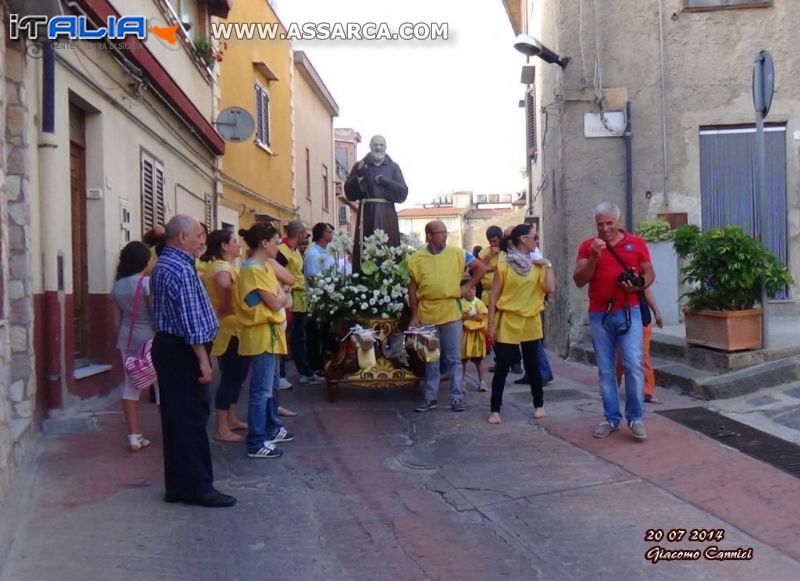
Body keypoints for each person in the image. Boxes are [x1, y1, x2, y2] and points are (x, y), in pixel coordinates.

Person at [150, 215, 235, 508]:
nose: (203, 239)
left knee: (177, 419)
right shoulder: (180, 269)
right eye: (199, 234)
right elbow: (189, 322)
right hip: (183, 350)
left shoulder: (169, 264)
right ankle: (198, 487)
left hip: (172, 347)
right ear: (182, 237)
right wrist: (203, 360)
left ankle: (178, 485)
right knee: (191, 419)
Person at [573, 201, 654, 441]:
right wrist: (593, 259)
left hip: (630, 310)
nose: (605, 228)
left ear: (618, 221)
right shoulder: (588, 246)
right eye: (600, 224)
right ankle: (611, 418)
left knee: (633, 363)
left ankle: (636, 417)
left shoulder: (636, 243)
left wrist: (638, 284)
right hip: (600, 314)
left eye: (609, 223)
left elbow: (649, 273)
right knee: (606, 369)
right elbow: (579, 280)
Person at [408, 221, 488, 413]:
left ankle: (457, 397)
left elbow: (482, 268)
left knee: (454, 357)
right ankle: (430, 398)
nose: (444, 236)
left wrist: (468, 287)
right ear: (428, 235)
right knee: (431, 358)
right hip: (427, 312)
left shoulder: (458, 253)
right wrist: (414, 316)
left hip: (451, 311)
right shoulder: (416, 259)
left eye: (445, 232)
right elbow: (412, 289)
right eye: (440, 233)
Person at [487, 224, 555, 424]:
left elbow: (550, 288)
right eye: (535, 237)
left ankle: (539, 405)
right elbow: (493, 297)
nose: (537, 240)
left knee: (533, 366)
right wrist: (490, 324)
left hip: (531, 320)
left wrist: (548, 264)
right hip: (508, 319)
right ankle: (494, 409)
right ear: (524, 239)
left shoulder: (539, 265)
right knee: (502, 366)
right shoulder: (504, 265)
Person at [237, 223, 295, 459]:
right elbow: (276, 301)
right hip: (261, 334)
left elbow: (282, 292)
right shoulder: (252, 270)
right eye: (275, 241)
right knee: (261, 391)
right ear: (264, 243)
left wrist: (281, 295)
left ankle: (269, 428)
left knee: (269, 387)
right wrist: (282, 295)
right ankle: (256, 441)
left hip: (270, 334)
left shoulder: (264, 267)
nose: (278, 245)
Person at [200, 229, 249, 443]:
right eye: (234, 242)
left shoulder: (222, 266)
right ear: (224, 246)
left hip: (235, 328)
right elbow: (223, 284)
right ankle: (221, 427)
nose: (239, 245)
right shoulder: (221, 266)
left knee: (238, 376)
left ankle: (231, 418)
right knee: (230, 377)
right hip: (229, 330)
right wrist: (229, 304)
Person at [111, 241, 159, 452]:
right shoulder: (146, 283)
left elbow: (116, 319)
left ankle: (133, 436)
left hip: (127, 339)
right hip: (150, 339)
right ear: (144, 260)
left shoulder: (117, 286)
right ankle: (169, 432)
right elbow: (155, 313)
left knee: (131, 388)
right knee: (161, 387)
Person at [344, 135, 408, 271]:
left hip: (387, 214)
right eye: (375, 145)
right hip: (367, 213)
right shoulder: (360, 165)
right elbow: (349, 193)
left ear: (385, 147)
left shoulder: (393, 167)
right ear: (370, 146)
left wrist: (388, 182)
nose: (378, 147)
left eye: (381, 145)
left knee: (388, 247)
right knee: (366, 247)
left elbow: (403, 193)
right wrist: (359, 177)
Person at [278, 220, 323, 385]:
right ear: (299, 234)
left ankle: (305, 372)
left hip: (299, 298)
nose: (306, 236)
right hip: (289, 298)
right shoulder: (282, 251)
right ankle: (280, 374)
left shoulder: (295, 251)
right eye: (305, 233)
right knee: (286, 336)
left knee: (298, 338)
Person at [514, 233, 555, 386]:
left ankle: (542, 372)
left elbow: (543, 278)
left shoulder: (533, 253)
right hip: (525, 303)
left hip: (531, 303)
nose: (536, 240)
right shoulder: (524, 253)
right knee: (526, 342)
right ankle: (531, 372)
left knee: (532, 341)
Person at [616, 286, 663, 403]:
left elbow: (646, 291)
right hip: (620, 319)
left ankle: (647, 391)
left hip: (641, 320)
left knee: (643, 358)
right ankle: (611, 388)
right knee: (619, 359)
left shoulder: (641, 272)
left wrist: (656, 311)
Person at [304, 223, 336, 374]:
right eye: (330, 232)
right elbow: (312, 278)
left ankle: (327, 363)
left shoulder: (326, 252)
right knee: (316, 336)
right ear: (324, 234)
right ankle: (316, 367)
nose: (332, 234)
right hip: (318, 303)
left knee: (328, 335)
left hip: (329, 300)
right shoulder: (313, 254)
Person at [461, 283, 488, 392]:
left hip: (476, 336)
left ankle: (482, 382)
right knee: (463, 360)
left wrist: (473, 316)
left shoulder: (479, 303)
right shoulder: (461, 303)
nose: (471, 291)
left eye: (473, 288)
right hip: (464, 336)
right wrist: (469, 316)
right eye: (468, 289)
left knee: (478, 360)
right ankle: (462, 382)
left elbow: (483, 317)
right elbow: (460, 317)